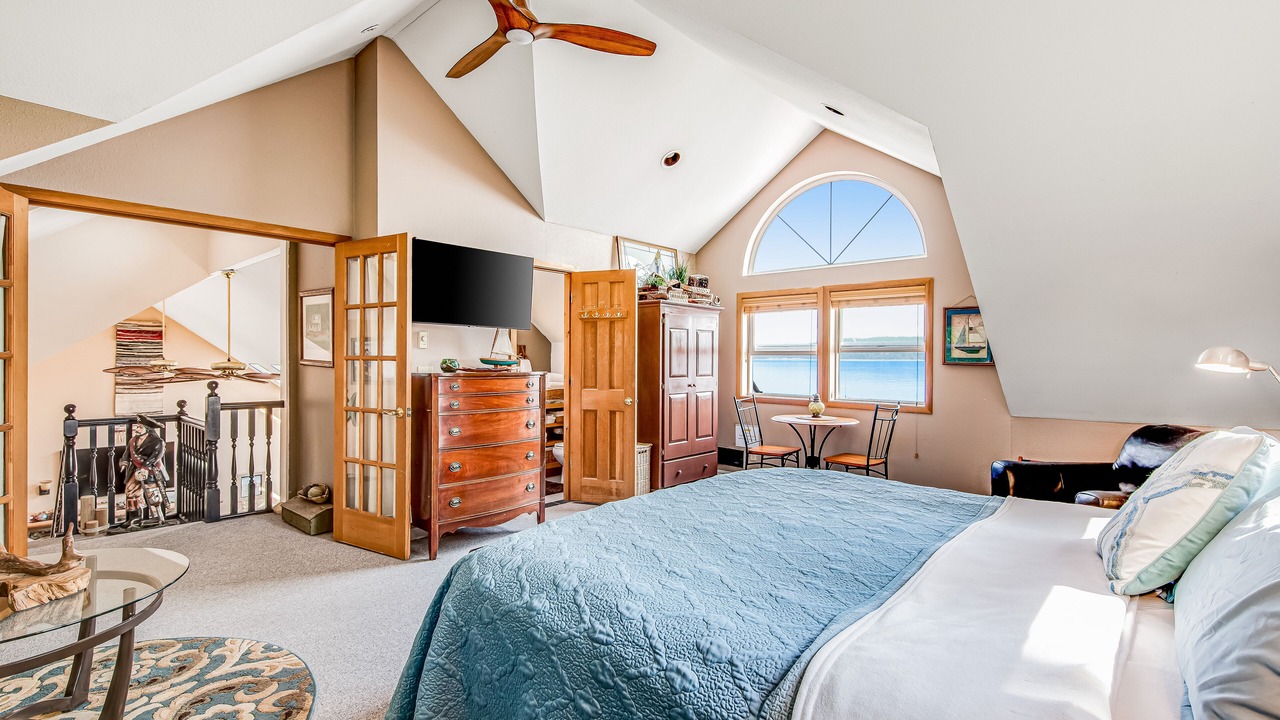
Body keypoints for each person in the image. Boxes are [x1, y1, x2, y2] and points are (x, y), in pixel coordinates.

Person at [120, 415, 172, 527]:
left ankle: (160, 517)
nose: (137, 429)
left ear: (147, 429)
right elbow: (127, 454)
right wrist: (124, 462)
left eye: (140, 427)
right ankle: (134, 518)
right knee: (131, 491)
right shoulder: (133, 440)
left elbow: (155, 457)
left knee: (153, 494)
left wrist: (144, 468)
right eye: (137, 427)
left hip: (150, 470)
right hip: (135, 469)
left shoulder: (157, 442)